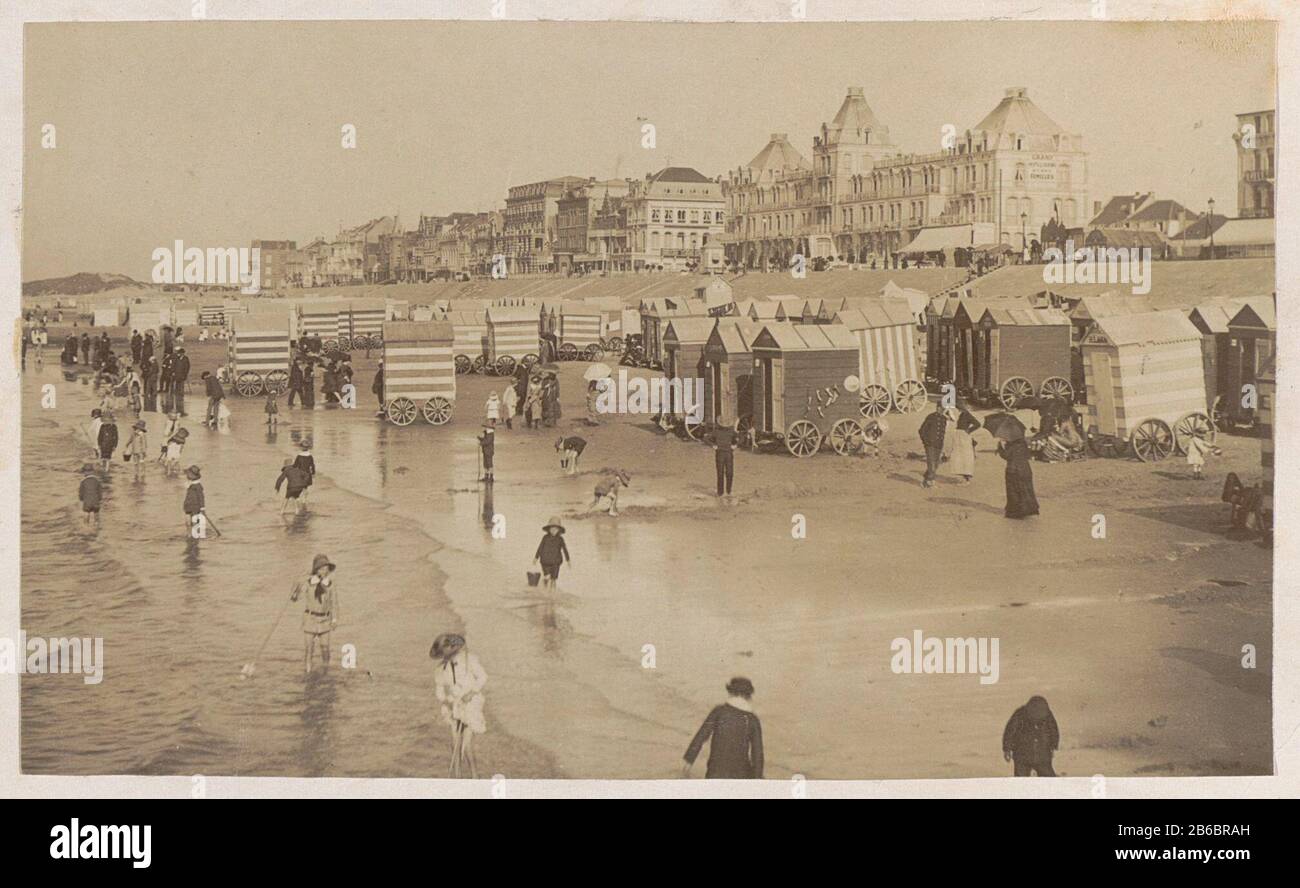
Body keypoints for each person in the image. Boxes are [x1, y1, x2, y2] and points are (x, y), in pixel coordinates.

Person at [682, 677, 764, 779]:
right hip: (741, 775)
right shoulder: (752, 720)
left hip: (715, 772)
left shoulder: (719, 712)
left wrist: (689, 760)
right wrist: (758, 777)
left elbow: (701, 736)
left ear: (730, 692)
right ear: (748, 696)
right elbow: (757, 753)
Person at [429, 633, 487, 778]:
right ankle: (457, 776)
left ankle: (474, 776)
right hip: (452, 707)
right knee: (454, 744)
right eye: (443, 654)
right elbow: (439, 689)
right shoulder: (440, 669)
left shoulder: (469, 660)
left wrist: (471, 693)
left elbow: (483, 677)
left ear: (454, 648)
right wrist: (446, 699)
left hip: (470, 705)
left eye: (446, 652)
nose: (444, 656)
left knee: (466, 745)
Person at [289, 554, 339, 672]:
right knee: (309, 649)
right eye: (321, 568)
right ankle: (308, 671)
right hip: (310, 619)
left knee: (325, 648)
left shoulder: (330, 584)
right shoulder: (307, 583)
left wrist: (334, 619)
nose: (324, 571)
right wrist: (295, 587)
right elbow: (294, 599)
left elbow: (334, 603)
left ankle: (326, 672)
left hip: (325, 620)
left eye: (326, 568)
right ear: (316, 570)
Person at [1002, 695, 1059, 776]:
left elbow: (1054, 730)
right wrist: (1007, 749)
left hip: (1042, 756)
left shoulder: (1048, 716)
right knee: (1021, 780)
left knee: (1048, 779)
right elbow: (1010, 732)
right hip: (1023, 756)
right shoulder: (1019, 715)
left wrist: (1053, 745)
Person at [997, 430, 1040, 519]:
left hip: (1013, 470)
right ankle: (1029, 509)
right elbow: (1028, 455)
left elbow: (1006, 456)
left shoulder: (1011, 445)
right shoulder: (1023, 444)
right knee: (1027, 490)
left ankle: (1016, 512)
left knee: (1013, 491)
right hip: (1025, 469)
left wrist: (1000, 447)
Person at [532, 516, 570, 593]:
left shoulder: (560, 539)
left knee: (554, 578)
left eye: (555, 529)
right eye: (552, 528)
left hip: (556, 562)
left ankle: (553, 593)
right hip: (545, 561)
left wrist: (568, 560)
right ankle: (545, 587)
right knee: (547, 576)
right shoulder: (545, 538)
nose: (553, 530)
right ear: (549, 529)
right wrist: (536, 558)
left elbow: (564, 549)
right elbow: (540, 548)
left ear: (559, 530)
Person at [946, 405, 980, 483]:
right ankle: (965, 478)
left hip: (964, 437)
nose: (959, 409)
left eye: (959, 408)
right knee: (961, 457)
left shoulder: (967, 415)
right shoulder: (962, 414)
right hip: (960, 436)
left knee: (965, 457)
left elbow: (978, 424)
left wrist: (968, 430)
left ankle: (967, 478)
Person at [918, 402, 948, 488]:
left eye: (943, 409)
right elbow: (921, 430)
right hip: (930, 444)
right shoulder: (931, 417)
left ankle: (925, 480)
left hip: (938, 445)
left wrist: (942, 444)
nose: (942, 410)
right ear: (937, 407)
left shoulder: (944, 419)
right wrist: (926, 442)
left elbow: (942, 433)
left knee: (936, 463)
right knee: (931, 463)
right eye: (941, 408)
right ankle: (930, 481)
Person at [709, 419, 739, 496]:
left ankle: (729, 491)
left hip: (729, 453)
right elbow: (706, 439)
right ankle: (720, 492)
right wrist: (713, 445)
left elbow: (741, 437)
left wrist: (735, 445)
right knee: (720, 473)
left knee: (730, 473)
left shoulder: (731, 431)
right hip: (720, 453)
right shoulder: (716, 431)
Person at [182, 464, 206, 535]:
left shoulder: (198, 486)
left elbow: (201, 497)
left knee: (194, 522)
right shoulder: (190, 484)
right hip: (188, 506)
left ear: (192, 476)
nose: (186, 476)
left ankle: (195, 534)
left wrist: (202, 508)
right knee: (187, 522)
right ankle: (189, 534)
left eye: (188, 474)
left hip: (195, 507)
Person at [293, 440, 316, 505]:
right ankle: (304, 500)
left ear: (301, 448)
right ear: (307, 448)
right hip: (307, 473)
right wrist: (313, 473)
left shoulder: (299, 456)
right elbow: (312, 465)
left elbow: (295, 465)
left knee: (299, 486)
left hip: (300, 473)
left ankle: (298, 498)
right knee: (305, 487)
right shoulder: (310, 456)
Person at [171, 347, 190, 415]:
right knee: (177, 385)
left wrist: (185, 374)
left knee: (181, 385)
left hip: (182, 374)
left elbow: (187, 367)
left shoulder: (185, 359)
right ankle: (177, 395)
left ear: (182, 353)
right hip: (176, 374)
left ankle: (180, 395)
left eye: (179, 353)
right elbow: (173, 365)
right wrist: (173, 371)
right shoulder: (177, 358)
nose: (178, 354)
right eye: (178, 353)